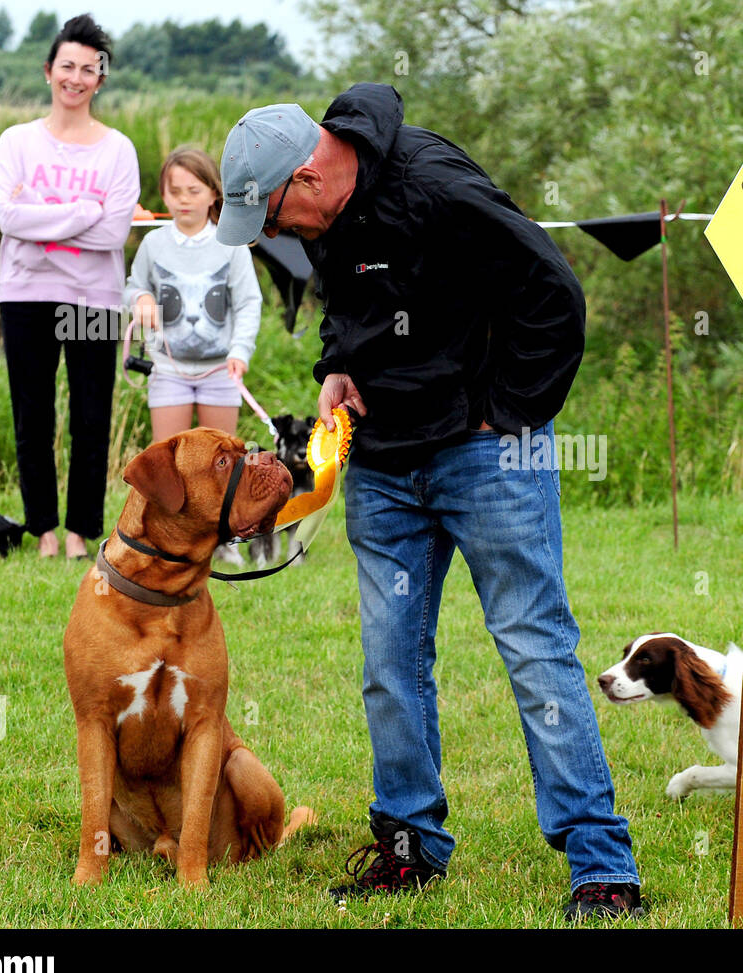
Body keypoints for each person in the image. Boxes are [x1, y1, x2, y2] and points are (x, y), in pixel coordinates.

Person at [215, 86, 643, 920]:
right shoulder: (329, 214)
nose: (274, 235)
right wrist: (337, 362)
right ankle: (409, 847)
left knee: (535, 647)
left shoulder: (438, 189)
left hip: (486, 458)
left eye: (272, 218)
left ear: (307, 177)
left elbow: (555, 294)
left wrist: (506, 410)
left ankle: (601, 862)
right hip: (381, 462)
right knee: (389, 662)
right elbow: (351, 302)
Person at [0, 13, 139, 559]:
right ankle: (43, 530)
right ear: (48, 71)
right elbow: (10, 219)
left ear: (100, 80)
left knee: (91, 417)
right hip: (26, 293)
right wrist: (83, 209)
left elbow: (114, 233)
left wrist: (43, 213)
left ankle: (80, 532)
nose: (76, 78)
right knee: (33, 415)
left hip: (93, 297)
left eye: (89, 70)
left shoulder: (117, 150)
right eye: (67, 66)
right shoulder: (16, 142)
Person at [123, 147, 262, 442]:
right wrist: (140, 299)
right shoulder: (153, 244)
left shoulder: (231, 245)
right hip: (167, 370)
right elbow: (134, 286)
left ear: (213, 194)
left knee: (221, 460)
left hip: (221, 370)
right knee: (170, 460)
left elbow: (248, 301)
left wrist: (240, 350)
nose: (183, 199)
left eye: (193, 191)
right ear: (163, 194)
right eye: (175, 191)